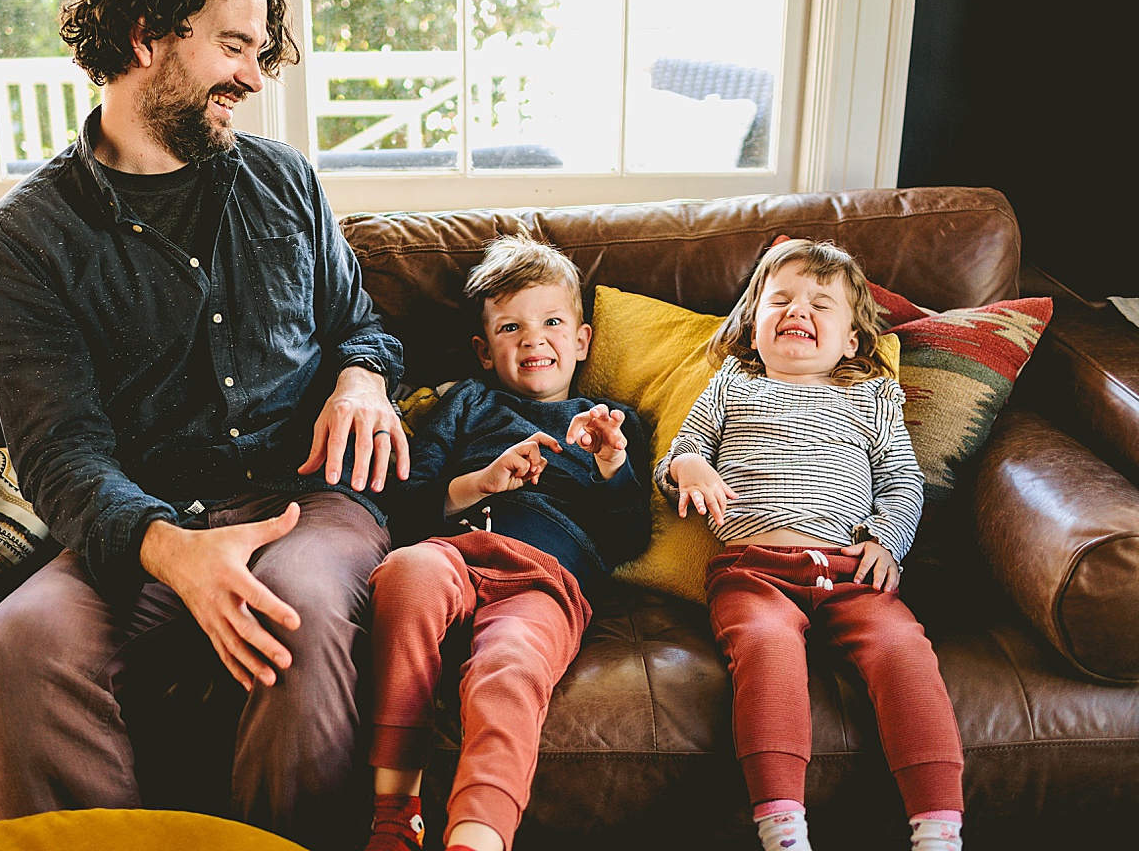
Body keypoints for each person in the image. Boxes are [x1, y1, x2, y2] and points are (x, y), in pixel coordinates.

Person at [0, 0, 408, 850]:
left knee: (292, 608)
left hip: (308, 502)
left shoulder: (286, 182)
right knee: (14, 650)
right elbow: (61, 452)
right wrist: (171, 548)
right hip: (147, 517)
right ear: (147, 36)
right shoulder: (26, 240)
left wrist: (363, 380)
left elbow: (360, 328)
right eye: (233, 47)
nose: (253, 76)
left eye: (259, 50)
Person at [655, 238, 964, 851]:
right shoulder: (731, 383)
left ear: (851, 341)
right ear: (753, 323)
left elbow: (902, 479)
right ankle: (782, 825)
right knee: (766, 651)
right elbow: (679, 457)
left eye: (821, 304)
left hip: (851, 569)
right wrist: (687, 469)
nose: (799, 310)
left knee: (904, 648)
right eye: (781, 300)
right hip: (754, 571)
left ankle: (938, 826)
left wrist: (887, 540)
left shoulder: (872, 396)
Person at [363, 233, 652, 851]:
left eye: (552, 321)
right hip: (456, 554)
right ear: (484, 350)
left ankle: (479, 835)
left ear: (581, 341)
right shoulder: (466, 404)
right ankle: (395, 815)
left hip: (544, 580)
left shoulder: (614, 421)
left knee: (510, 666)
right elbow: (405, 508)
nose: (532, 339)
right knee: (405, 571)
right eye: (510, 328)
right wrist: (479, 482)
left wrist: (610, 466)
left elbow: (629, 537)